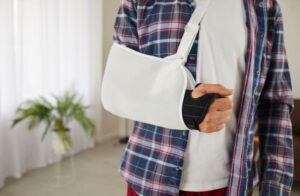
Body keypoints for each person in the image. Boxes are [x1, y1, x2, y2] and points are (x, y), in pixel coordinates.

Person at [112, 0, 294, 195]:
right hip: (150, 177)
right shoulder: (139, 2)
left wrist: (276, 189)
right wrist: (185, 110)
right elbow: (119, 86)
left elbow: (276, 105)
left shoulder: (265, 7)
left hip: (232, 184)